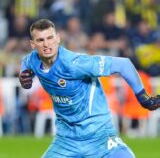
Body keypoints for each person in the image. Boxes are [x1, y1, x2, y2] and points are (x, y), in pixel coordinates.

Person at [19, 19, 160, 158]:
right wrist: (24, 73)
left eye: (50, 38)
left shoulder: (75, 64)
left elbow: (123, 64)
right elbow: (26, 61)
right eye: (40, 40)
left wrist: (143, 96)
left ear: (58, 38)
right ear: (33, 44)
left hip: (99, 138)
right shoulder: (33, 59)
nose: (46, 44)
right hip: (66, 142)